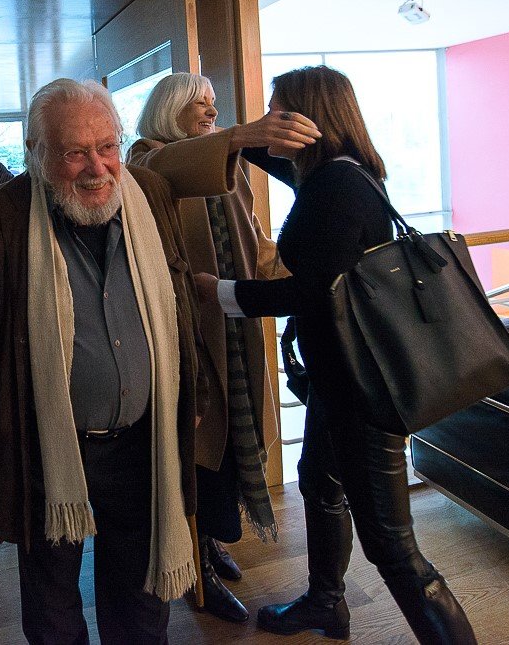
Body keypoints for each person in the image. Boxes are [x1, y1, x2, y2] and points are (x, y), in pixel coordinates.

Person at [198, 65, 476, 644]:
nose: (270, 119)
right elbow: (281, 165)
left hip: (362, 391)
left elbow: (310, 291)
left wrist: (219, 293)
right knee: (320, 483)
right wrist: (238, 137)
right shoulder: (337, 173)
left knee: (394, 548)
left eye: (278, 109)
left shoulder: (336, 187)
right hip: (342, 378)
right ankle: (326, 603)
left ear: (308, 117)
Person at [0, 78, 204, 644]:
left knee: (141, 601)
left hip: (142, 442)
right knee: (52, 605)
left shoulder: (150, 194)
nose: (98, 168)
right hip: (45, 448)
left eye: (108, 146)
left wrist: (193, 394)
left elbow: (180, 305)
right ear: (37, 154)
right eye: (75, 153)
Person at [128, 72, 319, 623]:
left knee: (229, 450)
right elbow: (162, 171)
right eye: (199, 102)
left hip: (231, 324)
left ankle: (209, 546)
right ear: (168, 109)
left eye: (214, 102)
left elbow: (254, 243)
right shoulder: (145, 159)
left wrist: (311, 264)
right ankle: (194, 569)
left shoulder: (228, 168)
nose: (211, 111)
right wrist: (238, 136)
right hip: (184, 337)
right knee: (194, 456)